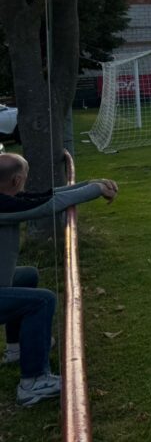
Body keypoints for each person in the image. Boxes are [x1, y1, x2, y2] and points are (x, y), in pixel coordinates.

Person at [0, 153, 118, 406]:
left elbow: (41, 196)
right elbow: (47, 205)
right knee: (41, 301)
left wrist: (91, 184)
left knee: (27, 275)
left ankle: (16, 348)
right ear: (16, 180)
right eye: (24, 179)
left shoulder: (6, 197)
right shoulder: (3, 206)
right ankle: (33, 382)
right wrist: (96, 190)